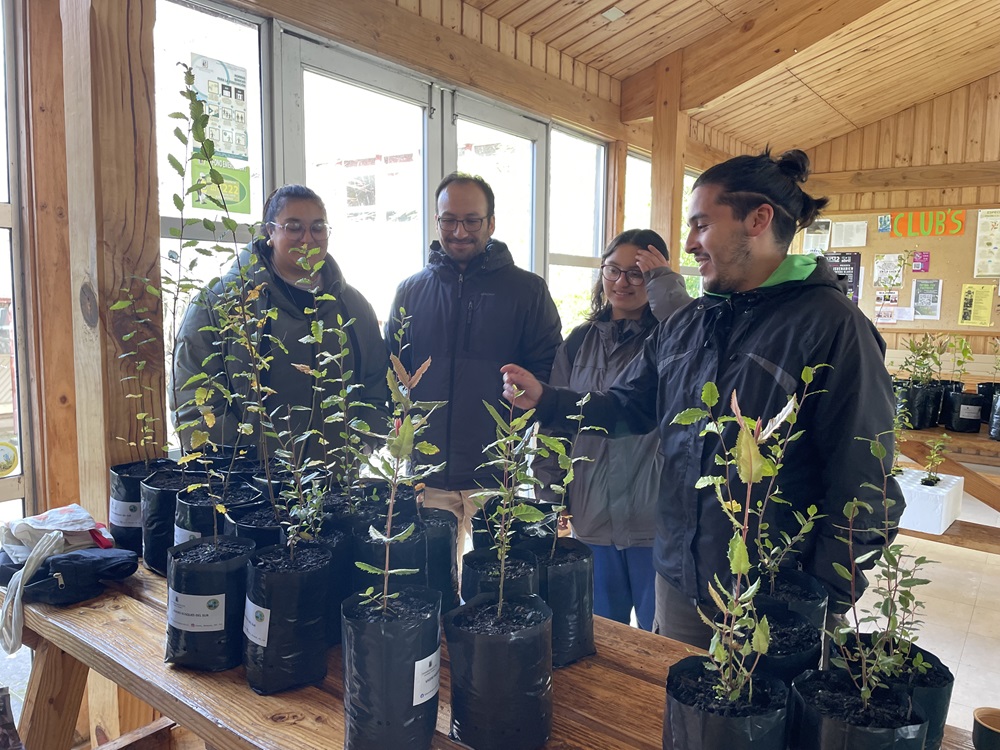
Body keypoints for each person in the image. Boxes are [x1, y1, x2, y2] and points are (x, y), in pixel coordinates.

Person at [501, 150, 903, 648]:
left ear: (758, 220)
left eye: (701, 225)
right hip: (679, 580)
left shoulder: (832, 326)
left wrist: (818, 599)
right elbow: (628, 405)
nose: (689, 243)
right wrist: (549, 400)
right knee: (677, 712)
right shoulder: (691, 323)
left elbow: (867, 484)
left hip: (772, 596)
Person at [386, 172, 562, 557]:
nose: (460, 231)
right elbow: (393, 369)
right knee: (434, 583)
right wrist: (402, 427)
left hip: (496, 469)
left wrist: (519, 429)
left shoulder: (527, 291)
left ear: (491, 223)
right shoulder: (411, 291)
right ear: (437, 221)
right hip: (429, 473)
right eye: (449, 219)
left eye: (472, 220)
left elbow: (548, 371)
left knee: (493, 588)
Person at [533, 229, 690, 631]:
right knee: (602, 633)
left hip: (654, 518)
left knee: (662, 639)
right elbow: (555, 424)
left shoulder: (675, 338)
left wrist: (668, 290)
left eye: (637, 273)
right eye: (613, 271)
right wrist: (551, 495)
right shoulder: (579, 342)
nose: (622, 283)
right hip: (592, 514)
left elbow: (698, 344)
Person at [171, 184, 389, 462]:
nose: (307, 238)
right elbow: (192, 396)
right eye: (293, 227)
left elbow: (375, 385)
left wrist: (363, 446)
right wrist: (234, 466)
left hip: (337, 487)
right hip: (251, 491)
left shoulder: (354, 306)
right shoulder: (220, 302)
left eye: (318, 227)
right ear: (270, 232)